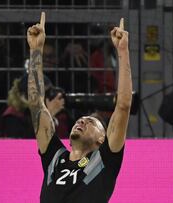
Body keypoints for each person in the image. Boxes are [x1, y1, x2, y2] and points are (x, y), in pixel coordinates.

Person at [27, 12, 132, 202]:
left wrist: (123, 52)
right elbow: (36, 105)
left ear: (103, 138)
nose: (82, 120)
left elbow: (123, 106)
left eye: (92, 122)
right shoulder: (55, 159)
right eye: (82, 119)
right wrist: (36, 50)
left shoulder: (105, 161)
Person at [0, 74, 70, 138]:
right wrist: (48, 117)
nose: (44, 98)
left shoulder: (58, 112)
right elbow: (22, 146)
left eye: (47, 93)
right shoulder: (13, 117)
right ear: (23, 97)